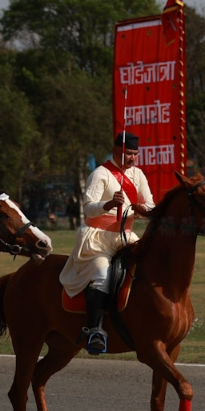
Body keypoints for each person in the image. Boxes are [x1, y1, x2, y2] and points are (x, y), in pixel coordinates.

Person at [59, 131, 155, 355]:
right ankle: (94, 331)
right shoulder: (100, 174)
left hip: (125, 236)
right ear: (115, 151)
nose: (132, 158)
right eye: (128, 153)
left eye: (135, 154)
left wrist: (142, 209)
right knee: (102, 274)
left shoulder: (138, 174)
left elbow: (149, 204)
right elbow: (88, 208)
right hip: (97, 237)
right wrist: (110, 203)